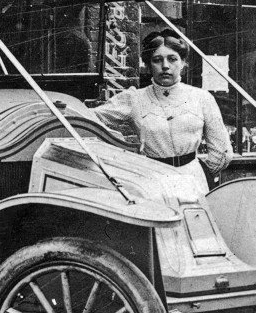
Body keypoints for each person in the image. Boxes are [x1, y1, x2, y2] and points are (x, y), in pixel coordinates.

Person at [90, 32, 232, 199]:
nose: (165, 66)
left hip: (192, 182)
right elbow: (88, 118)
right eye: (157, 60)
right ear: (148, 65)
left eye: (172, 59)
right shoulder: (135, 99)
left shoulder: (202, 98)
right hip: (152, 182)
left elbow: (222, 152)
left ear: (183, 62)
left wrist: (197, 172)